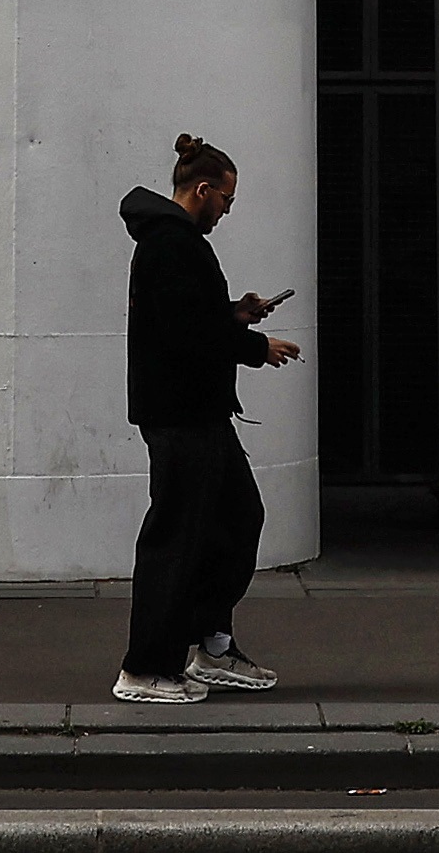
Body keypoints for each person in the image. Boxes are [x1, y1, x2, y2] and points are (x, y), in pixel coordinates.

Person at [111, 133, 299, 706]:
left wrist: (233, 314)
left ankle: (211, 647)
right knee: (176, 537)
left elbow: (186, 318)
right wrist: (253, 344)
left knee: (237, 520)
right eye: (226, 200)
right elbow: (183, 335)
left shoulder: (173, 242)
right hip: (181, 415)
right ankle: (146, 668)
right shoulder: (173, 243)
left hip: (199, 413)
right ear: (203, 189)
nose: (226, 211)